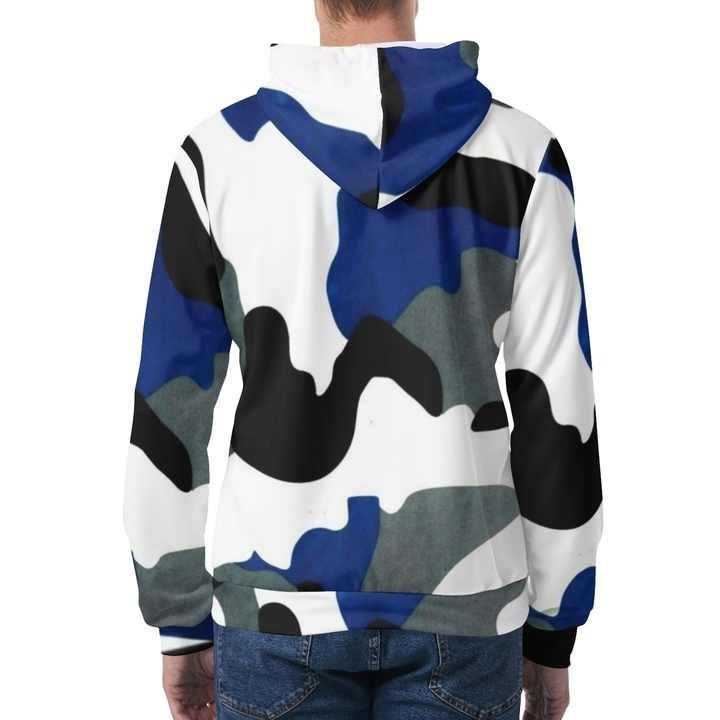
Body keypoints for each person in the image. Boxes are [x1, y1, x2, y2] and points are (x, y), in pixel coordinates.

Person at [124, 0, 603, 717]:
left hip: (273, 608)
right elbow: (558, 404)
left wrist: (178, 619)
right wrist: (556, 624)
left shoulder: (216, 156)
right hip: (467, 609)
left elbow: (170, 405)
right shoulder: (522, 154)